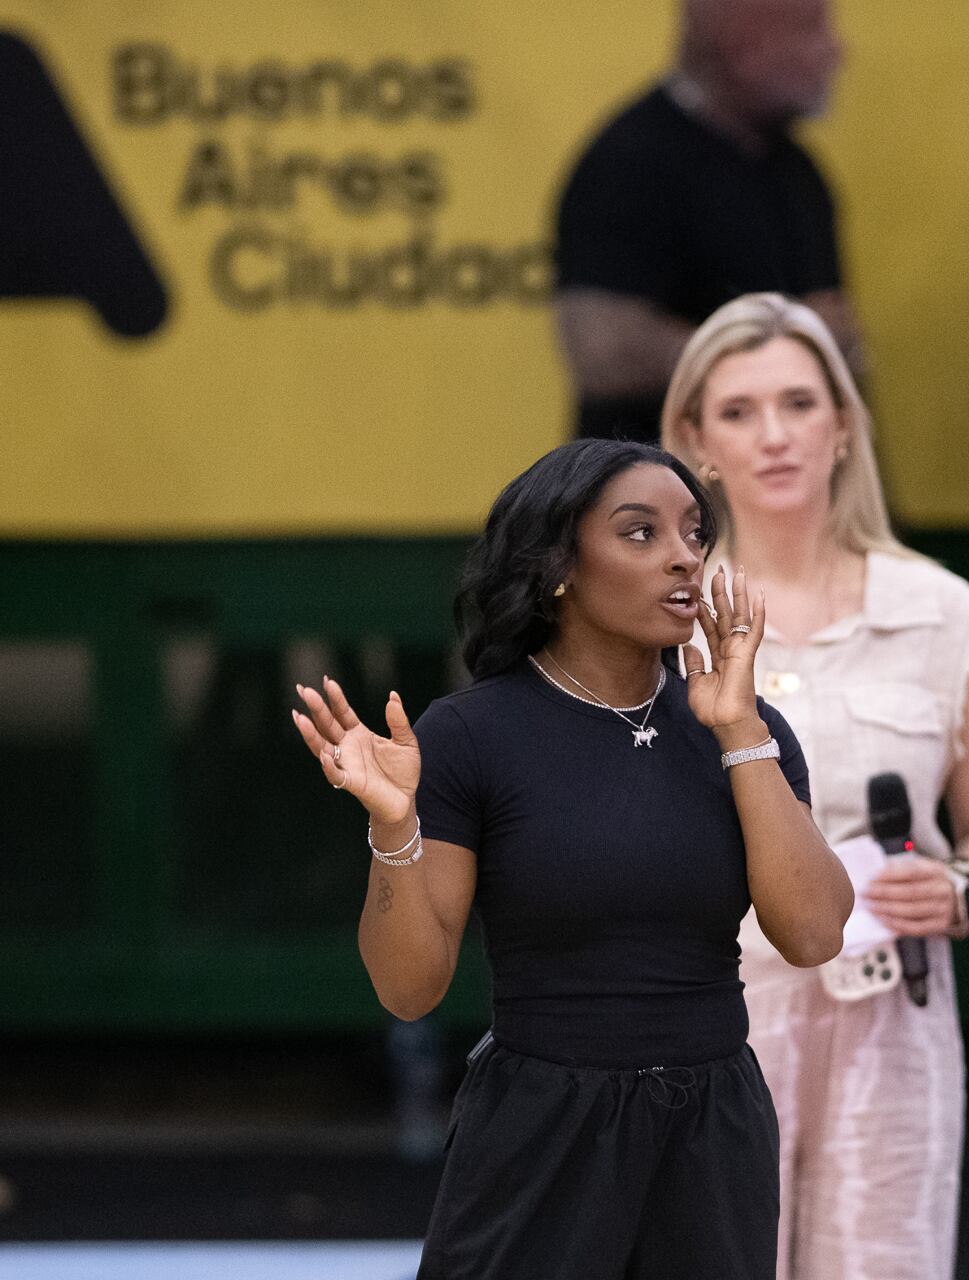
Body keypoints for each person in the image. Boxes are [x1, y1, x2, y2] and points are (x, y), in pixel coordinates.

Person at [290, 439, 853, 1279]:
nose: (684, 558)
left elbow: (813, 934)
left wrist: (739, 728)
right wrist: (394, 826)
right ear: (558, 567)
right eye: (640, 533)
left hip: (714, 1135)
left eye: (695, 534)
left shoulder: (745, 728)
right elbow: (410, 990)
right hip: (541, 1129)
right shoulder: (471, 735)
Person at [662, 293, 969, 1279]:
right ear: (695, 441)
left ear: (843, 424)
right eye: (739, 411)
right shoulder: (659, 620)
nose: (774, 434)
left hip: (889, 1018)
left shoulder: (945, 613)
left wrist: (963, 887)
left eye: (798, 402)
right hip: (708, 1016)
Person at [554, 0, 859, 441]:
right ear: (744, 47)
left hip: (779, 472)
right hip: (665, 473)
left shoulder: (796, 170)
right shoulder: (629, 163)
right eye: (810, 31)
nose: (835, 52)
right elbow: (602, 351)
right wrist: (768, 352)